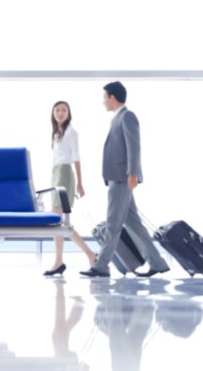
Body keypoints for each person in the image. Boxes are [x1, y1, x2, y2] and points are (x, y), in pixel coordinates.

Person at [81, 82, 169, 278]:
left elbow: (134, 147)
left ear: (112, 97)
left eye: (104, 97)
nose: (103, 101)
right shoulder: (117, 118)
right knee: (134, 224)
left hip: (122, 179)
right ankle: (158, 263)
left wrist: (133, 173)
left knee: (113, 224)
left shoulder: (127, 116)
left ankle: (101, 266)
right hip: (117, 178)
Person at [43, 101, 97, 276]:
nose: (60, 113)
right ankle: (85, 255)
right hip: (56, 174)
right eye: (57, 110)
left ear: (68, 114)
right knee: (59, 223)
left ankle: (64, 260)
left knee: (58, 221)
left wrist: (80, 183)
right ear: (53, 112)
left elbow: (76, 158)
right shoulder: (58, 132)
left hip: (65, 174)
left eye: (64, 110)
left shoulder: (71, 132)